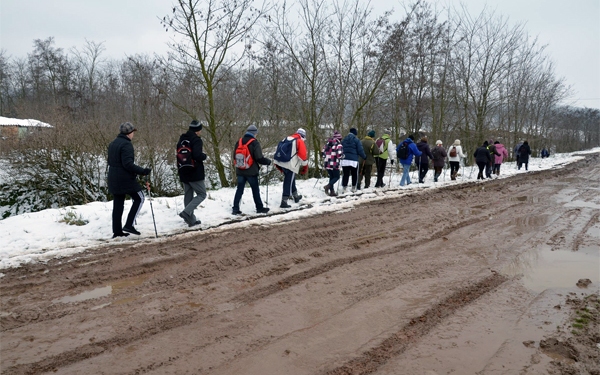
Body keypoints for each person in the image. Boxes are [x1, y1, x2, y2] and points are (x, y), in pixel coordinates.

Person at [107, 122, 151, 238]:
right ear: (129, 133)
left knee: (118, 205)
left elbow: (110, 161)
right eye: (133, 132)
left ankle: (117, 232)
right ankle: (129, 224)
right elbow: (128, 164)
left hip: (112, 177)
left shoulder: (113, 144)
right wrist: (143, 171)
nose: (133, 135)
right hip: (125, 178)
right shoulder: (126, 145)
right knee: (140, 197)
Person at [232, 124, 272, 215]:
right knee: (255, 190)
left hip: (240, 170)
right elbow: (259, 158)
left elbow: (234, 156)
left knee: (239, 189)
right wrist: (267, 162)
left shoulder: (239, 141)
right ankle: (259, 208)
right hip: (251, 171)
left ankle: (235, 208)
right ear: (254, 133)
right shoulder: (254, 143)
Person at [177, 120, 208, 227]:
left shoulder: (182, 139)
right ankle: (186, 212)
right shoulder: (196, 140)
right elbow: (197, 155)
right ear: (197, 130)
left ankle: (191, 221)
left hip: (183, 170)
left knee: (188, 195)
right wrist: (204, 156)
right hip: (195, 172)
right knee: (202, 194)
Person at [274, 128, 309, 208]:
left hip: (282, 162)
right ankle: (284, 201)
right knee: (288, 181)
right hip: (291, 164)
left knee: (291, 179)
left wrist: (277, 164)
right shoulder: (299, 141)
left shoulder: (286, 138)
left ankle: (296, 196)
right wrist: (305, 166)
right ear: (303, 136)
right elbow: (302, 156)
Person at [340, 128, 367, 193]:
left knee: (345, 174)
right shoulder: (357, 140)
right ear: (355, 133)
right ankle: (353, 187)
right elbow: (360, 150)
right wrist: (364, 157)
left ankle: (344, 188)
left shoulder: (344, 140)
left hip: (345, 160)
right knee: (354, 174)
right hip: (353, 161)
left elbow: (340, 148)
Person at [322, 130, 344, 196]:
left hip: (327, 163)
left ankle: (332, 191)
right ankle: (328, 186)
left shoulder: (327, 144)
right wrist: (343, 156)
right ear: (339, 138)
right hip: (334, 164)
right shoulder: (339, 145)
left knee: (332, 177)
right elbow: (339, 155)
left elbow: (323, 154)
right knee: (337, 177)